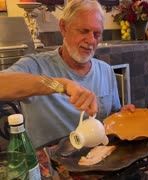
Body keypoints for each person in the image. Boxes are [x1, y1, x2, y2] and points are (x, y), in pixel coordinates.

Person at [1, 0, 135, 148]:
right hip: (50, 166)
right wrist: (61, 85)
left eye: (97, 34)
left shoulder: (106, 71)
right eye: (83, 31)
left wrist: (123, 117)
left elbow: (111, 119)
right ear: (64, 28)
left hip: (97, 160)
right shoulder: (36, 65)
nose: (91, 40)